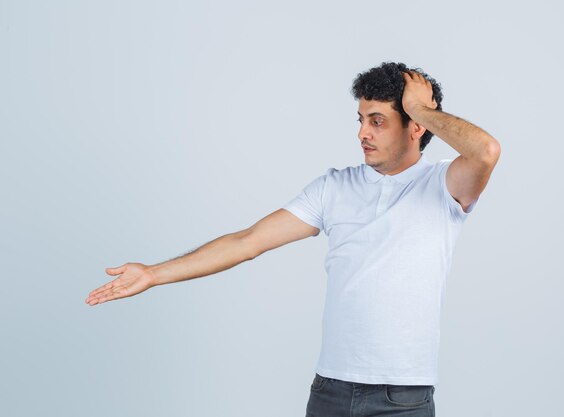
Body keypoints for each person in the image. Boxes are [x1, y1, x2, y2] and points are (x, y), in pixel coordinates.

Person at [85, 61, 500, 417]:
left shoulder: (444, 184)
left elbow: (485, 151)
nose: (363, 134)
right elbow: (247, 242)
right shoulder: (334, 188)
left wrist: (418, 107)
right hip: (331, 391)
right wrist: (153, 274)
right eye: (360, 119)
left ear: (415, 128)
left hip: (402, 398)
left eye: (378, 121)